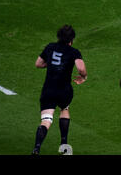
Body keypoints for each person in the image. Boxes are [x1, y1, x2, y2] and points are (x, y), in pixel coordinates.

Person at [31, 25, 87, 155]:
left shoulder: (50, 47)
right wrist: (83, 77)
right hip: (64, 90)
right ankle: (64, 145)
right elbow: (81, 69)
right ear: (71, 39)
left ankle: (36, 148)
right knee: (64, 109)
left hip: (48, 90)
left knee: (46, 120)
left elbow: (38, 63)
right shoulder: (74, 52)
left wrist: (50, 64)